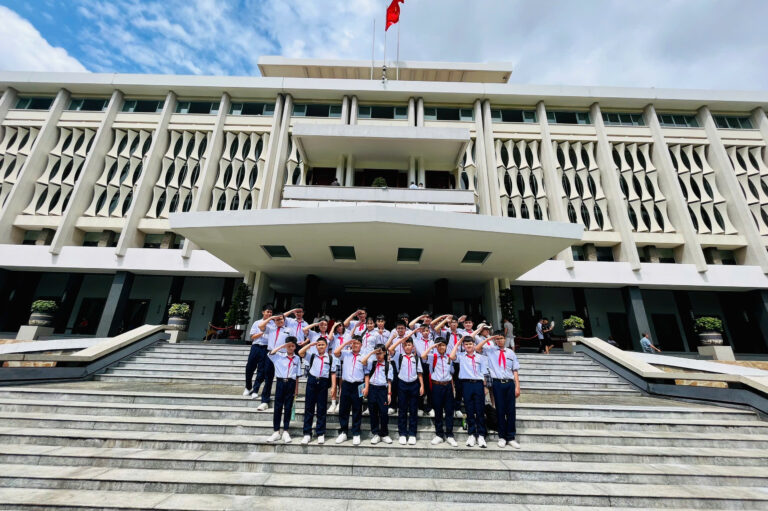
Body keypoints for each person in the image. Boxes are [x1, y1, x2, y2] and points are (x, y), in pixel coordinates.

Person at [476, 330, 521, 449]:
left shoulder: (511, 352)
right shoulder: (490, 351)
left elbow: (515, 370)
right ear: (494, 340)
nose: (499, 340)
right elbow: (477, 348)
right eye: (497, 339)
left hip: (509, 383)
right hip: (497, 383)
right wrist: (489, 339)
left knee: (511, 411)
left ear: (505, 339)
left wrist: (517, 386)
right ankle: (502, 437)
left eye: (501, 338)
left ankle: (511, 437)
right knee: (500, 410)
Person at [255, 307, 301, 410]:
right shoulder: (270, 328)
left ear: (284, 320)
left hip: (283, 356)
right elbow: (260, 326)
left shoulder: (289, 330)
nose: (279, 321)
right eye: (277, 319)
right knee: (268, 378)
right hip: (271, 354)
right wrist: (271, 318)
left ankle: (284, 401)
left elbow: (293, 343)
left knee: (283, 379)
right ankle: (264, 401)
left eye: (281, 319)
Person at [449, 336, 488, 448]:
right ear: (463, 346)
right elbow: (451, 356)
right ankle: (471, 434)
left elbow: (484, 373)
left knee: (480, 410)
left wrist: (485, 387)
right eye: (466, 344)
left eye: (470, 344)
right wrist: (458, 343)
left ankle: (481, 435)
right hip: (466, 384)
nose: (468, 346)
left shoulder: (481, 357)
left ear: (474, 345)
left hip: (478, 384)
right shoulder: (461, 356)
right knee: (469, 409)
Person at [421, 337, 458, 447]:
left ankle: (450, 435)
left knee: (449, 411)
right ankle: (439, 434)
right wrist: (432, 346)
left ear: (446, 346)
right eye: (439, 345)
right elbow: (423, 356)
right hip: (437, 386)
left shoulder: (449, 357)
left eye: (443, 345)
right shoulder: (433, 357)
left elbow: (451, 373)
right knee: (438, 411)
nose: (441, 347)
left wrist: (453, 388)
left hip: (448, 386)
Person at [388, 336, 424, 445]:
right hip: (402, 384)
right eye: (406, 345)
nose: (407, 347)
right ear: (403, 347)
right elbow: (390, 349)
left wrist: (422, 386)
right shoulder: (399, 356)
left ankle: (412, 434)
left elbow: (419, 373)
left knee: (413, 410)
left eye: (409, 345)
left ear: (413, 347)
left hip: (414, 385)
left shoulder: (416, 358)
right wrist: (401, 341)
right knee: (402, 410)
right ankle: (402, 434)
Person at [266, 336, 302, 444]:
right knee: (278, 407)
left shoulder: (297, 358)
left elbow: (297, 375)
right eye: (288, 346)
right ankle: (276, 431)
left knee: (288, 407)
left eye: (292, 346)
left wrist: (296, 389)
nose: (290, 348)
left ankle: (286, 430)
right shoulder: (278, 356)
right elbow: (270, 353)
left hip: (291, 383)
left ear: (295, 347)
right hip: (280, 382)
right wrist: (282, 346)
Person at [333, 335, 367, 445]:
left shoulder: (364, 356)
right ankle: (343, 431)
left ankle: (356, 433)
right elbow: (336, 352)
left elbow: (366, 373)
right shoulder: (346, 353)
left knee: (357, 409)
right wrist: (346, 343)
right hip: (346, 384)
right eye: (353, 343)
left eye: (357, 343)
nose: (355, 345)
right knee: (344, 408)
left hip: (359, 385)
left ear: (361, 345)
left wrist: (366, 387)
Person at [299, 337, 332, 444]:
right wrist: (310, 344)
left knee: (321, 408)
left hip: (323, 383)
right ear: (316, 346)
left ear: (326, 346)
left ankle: (320, 433)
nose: (320, 346)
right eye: (319, 345)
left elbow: (333, 373)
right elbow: (300, 352)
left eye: (322, 344)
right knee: (309, 408)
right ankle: (307, 433)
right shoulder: (312, 356)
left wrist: (333, 387)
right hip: (312, 381)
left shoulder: (330, 357)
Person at [361, 344, 393, 444]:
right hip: (372, 389)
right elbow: (363, 361)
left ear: (384, 353)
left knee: (384, 412)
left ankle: (384, 434)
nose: (378, 355)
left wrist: (389, 393)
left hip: (383, 390)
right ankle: (375, 433)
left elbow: (389, 381)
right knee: (373, 412)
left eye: (380, 353)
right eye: (377, 353)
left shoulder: (388, 365)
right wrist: (372, 352)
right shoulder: (372, 363)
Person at [243, 303, 272, 398]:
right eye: (268, 312)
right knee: (249, 367)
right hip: (256, 347)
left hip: (266, 348)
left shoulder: (273, 324)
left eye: (271, 312)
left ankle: (255, 389)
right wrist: (262, 333)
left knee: (261, 370)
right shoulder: (257, 323)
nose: (269, 314)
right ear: (263, 312)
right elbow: (252, 336)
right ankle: (248, 387)